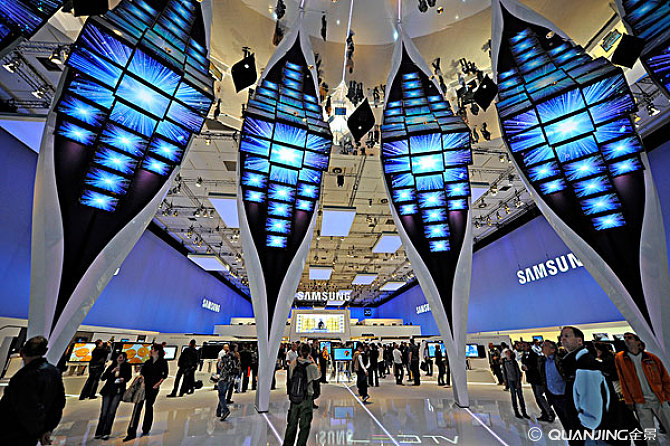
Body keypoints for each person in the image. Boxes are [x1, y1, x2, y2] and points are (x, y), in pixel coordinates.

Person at [0, 336, 66, 446]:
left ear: (22, 352)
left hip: (12, 433)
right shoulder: (54, 372)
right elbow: (58, 404)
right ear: (44, 351)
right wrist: (46, 429)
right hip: (31, 435)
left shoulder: (23, 377)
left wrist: (39, 430)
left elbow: (28, 408)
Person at [560, 326, 616, 445]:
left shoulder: (585, 364)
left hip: (592, 433)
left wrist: (588, 426)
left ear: (579, 340)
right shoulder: (575, 362)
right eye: (562, 336)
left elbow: (592, 402)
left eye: (567, 336)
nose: (562, 339)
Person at [614, 332, 670, 435]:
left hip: (659, 399)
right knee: (649, 432)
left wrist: (667, 396)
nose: (626, 340)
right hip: (640, 402)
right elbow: (623, 381)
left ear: (638, 342)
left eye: (630, 338)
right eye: (625, 338)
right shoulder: (621, 359)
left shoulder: (652, 358)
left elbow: (665, 378)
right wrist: (628, 400)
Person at [124, 344, 168, 441]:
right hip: (143, 388)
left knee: (149, 407)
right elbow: (142, 373)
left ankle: (146, 428)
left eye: (153, 349)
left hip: (153, 388)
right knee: (137, 408)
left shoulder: (163, 362)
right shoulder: (148, 362)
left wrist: (158, 384)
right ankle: (131, 432)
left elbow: (165, 375)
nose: (151, 351)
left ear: (157, 351)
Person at [283, 343, 321, 446]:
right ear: (309, 352)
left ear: (298, 352)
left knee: (291, 424)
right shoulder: (312, 366)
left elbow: (289, 381)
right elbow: (316, 384)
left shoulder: (293, 364)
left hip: (294, 398)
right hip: (306, 398)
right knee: (304, 426)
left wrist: (291, 394)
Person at [95, 352, 132, 439]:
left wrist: (123, 379)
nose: (120, 359)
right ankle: (99, 432)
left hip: (118, 391)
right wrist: (112, 371)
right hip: (108, 390)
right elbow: (103, 377)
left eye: (122, 357)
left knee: (111, 412)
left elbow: (128, 376)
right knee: (104, 412)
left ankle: (106, 432)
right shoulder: (112, 365)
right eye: (119, 357)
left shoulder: (127, 366)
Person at [539, 341, 570, 429]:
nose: (542, 347)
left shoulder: (561, 360)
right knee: (563, 420)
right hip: (552, 396)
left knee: (571, 420)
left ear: (553, 350)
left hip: (565, 396)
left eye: (545, 345)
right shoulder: (543, 362)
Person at [520, 341, 554, 422]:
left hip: (538, 379)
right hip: (532, 379)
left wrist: (528, 367)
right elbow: (524, 364)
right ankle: (545, 413)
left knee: (540, 396)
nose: (523, 347)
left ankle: (550, 413)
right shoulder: (524, 355)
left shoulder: (534, 355)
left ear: (528, 346)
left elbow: (536, 366)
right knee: (537, 397)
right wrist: (524, 368)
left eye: (524, 346)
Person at [502, 349, 530, 419]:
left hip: (516, 380)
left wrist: (518, 382)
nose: (507, 354)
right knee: (513, 396)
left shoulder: (514, 362)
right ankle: (516, 412)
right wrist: (505, 380)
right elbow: (505, 372)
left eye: (508, 352)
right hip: (510, 381)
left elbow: (518, 373)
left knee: (520, 396)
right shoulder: (504, 362)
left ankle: (524, 412)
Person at [216, 343, 237, 421]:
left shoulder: (225, 357)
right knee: (223, 394)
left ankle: (225, 410)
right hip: (230, 378)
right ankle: (218, 411)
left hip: (223, 378)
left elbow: (219, 366)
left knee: (221, 395)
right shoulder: (235, 357)